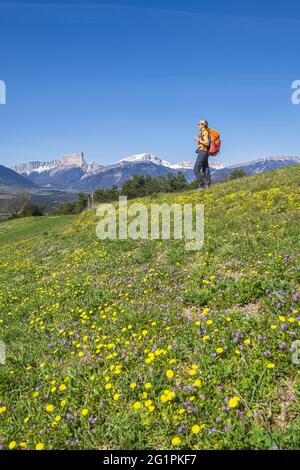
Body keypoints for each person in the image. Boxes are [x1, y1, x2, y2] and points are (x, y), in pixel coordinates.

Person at [193, 120, 211, 189]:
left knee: (196, 169)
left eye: (199, 124)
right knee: (205, 168)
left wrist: (198, 140)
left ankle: (201, 186)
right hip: (206, 152)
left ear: (203, 125)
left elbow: (207, 143)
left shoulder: (204, 132)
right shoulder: (205, 132)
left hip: (203, 152)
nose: (198, 125)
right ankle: (207, 185)